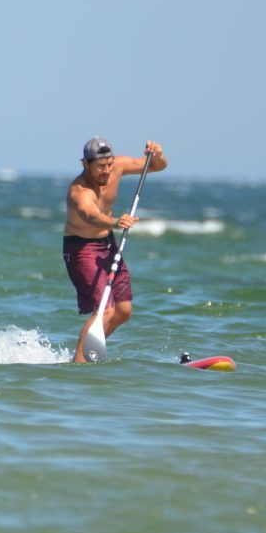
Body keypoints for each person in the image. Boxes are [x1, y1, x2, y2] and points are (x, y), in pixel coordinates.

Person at [64, 137, 167, 363]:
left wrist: (156, 154)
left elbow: (156, 166)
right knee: (106, 309)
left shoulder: (116, 166)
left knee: (123, 310)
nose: (107, 171)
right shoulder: (78, 192)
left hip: (108, 244)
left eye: (109, 164)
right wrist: (114, 222)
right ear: (85, 164)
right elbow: (89, 215)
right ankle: (79, 363)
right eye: (100, 167)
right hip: (82, 249)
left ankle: (90, 352)